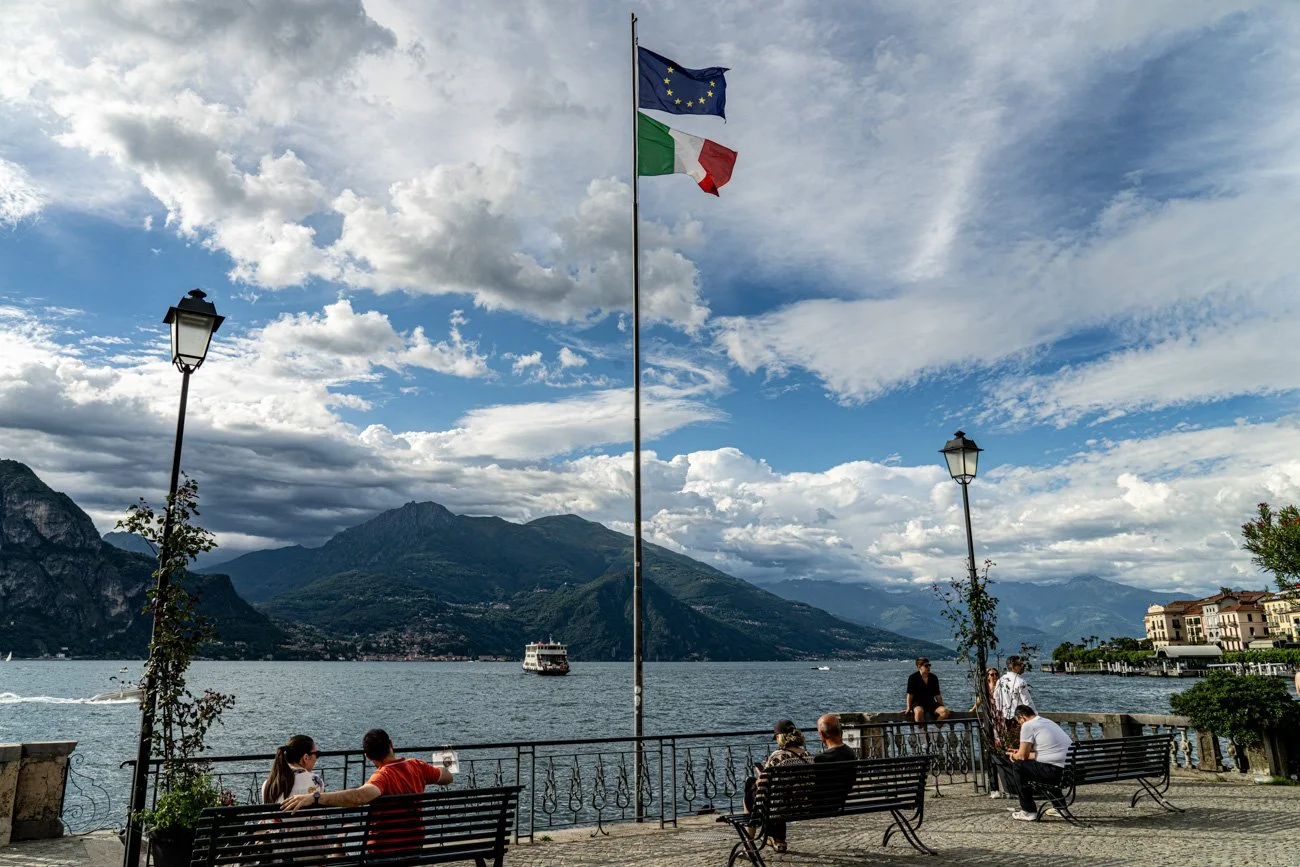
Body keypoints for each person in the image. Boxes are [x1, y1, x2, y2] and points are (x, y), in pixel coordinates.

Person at [282, 729, 452, 853]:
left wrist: (316, 797)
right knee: (349, 830)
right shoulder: (417, 765)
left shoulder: (382, 777)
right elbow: (447, 777)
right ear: (391, 744)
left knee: (343, 835)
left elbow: (360, 796)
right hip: (415, 845)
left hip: (382, 851)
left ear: (367, 757)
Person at [744, 719, 814, 853]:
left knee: (750, 785)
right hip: (802, 805)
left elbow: (762, 785)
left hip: (779, 807)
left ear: (779, 737)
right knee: (780, 792)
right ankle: (779, 840)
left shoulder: (778, 757)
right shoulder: (808, 755)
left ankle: (750, 842)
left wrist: (760, 775)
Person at [1005, 705, 1073, 821]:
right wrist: (1021, 752)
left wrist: (1014, 755)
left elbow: (1022, 756)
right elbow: (1046, 754)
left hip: (1055, 772)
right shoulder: (1047, 722)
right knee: (1041, 767)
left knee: (1019, 767)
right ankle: (1060, 807)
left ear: (1022, 718)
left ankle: (1028, 811)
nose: (1020, 725)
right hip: (1069, 771)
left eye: (1019, 722)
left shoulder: (1028, 725)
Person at [262, 734, 324, 804]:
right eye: (317, 754)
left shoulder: (268, 783)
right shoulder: (315, 782)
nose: (316, 758)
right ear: (305, 758)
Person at [904, 657, 950, 722]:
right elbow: (910, 694)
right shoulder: (913, 678)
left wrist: (942, 706)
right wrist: (908, 708)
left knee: (945, 712)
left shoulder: (933, 677)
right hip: (917, 703)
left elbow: (938, 695)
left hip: (931, 703)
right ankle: (922, 730)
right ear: (919, 667)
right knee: (919, 712)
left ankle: (936, 729)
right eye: (926, 666)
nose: (928, 667)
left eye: (929, 665)